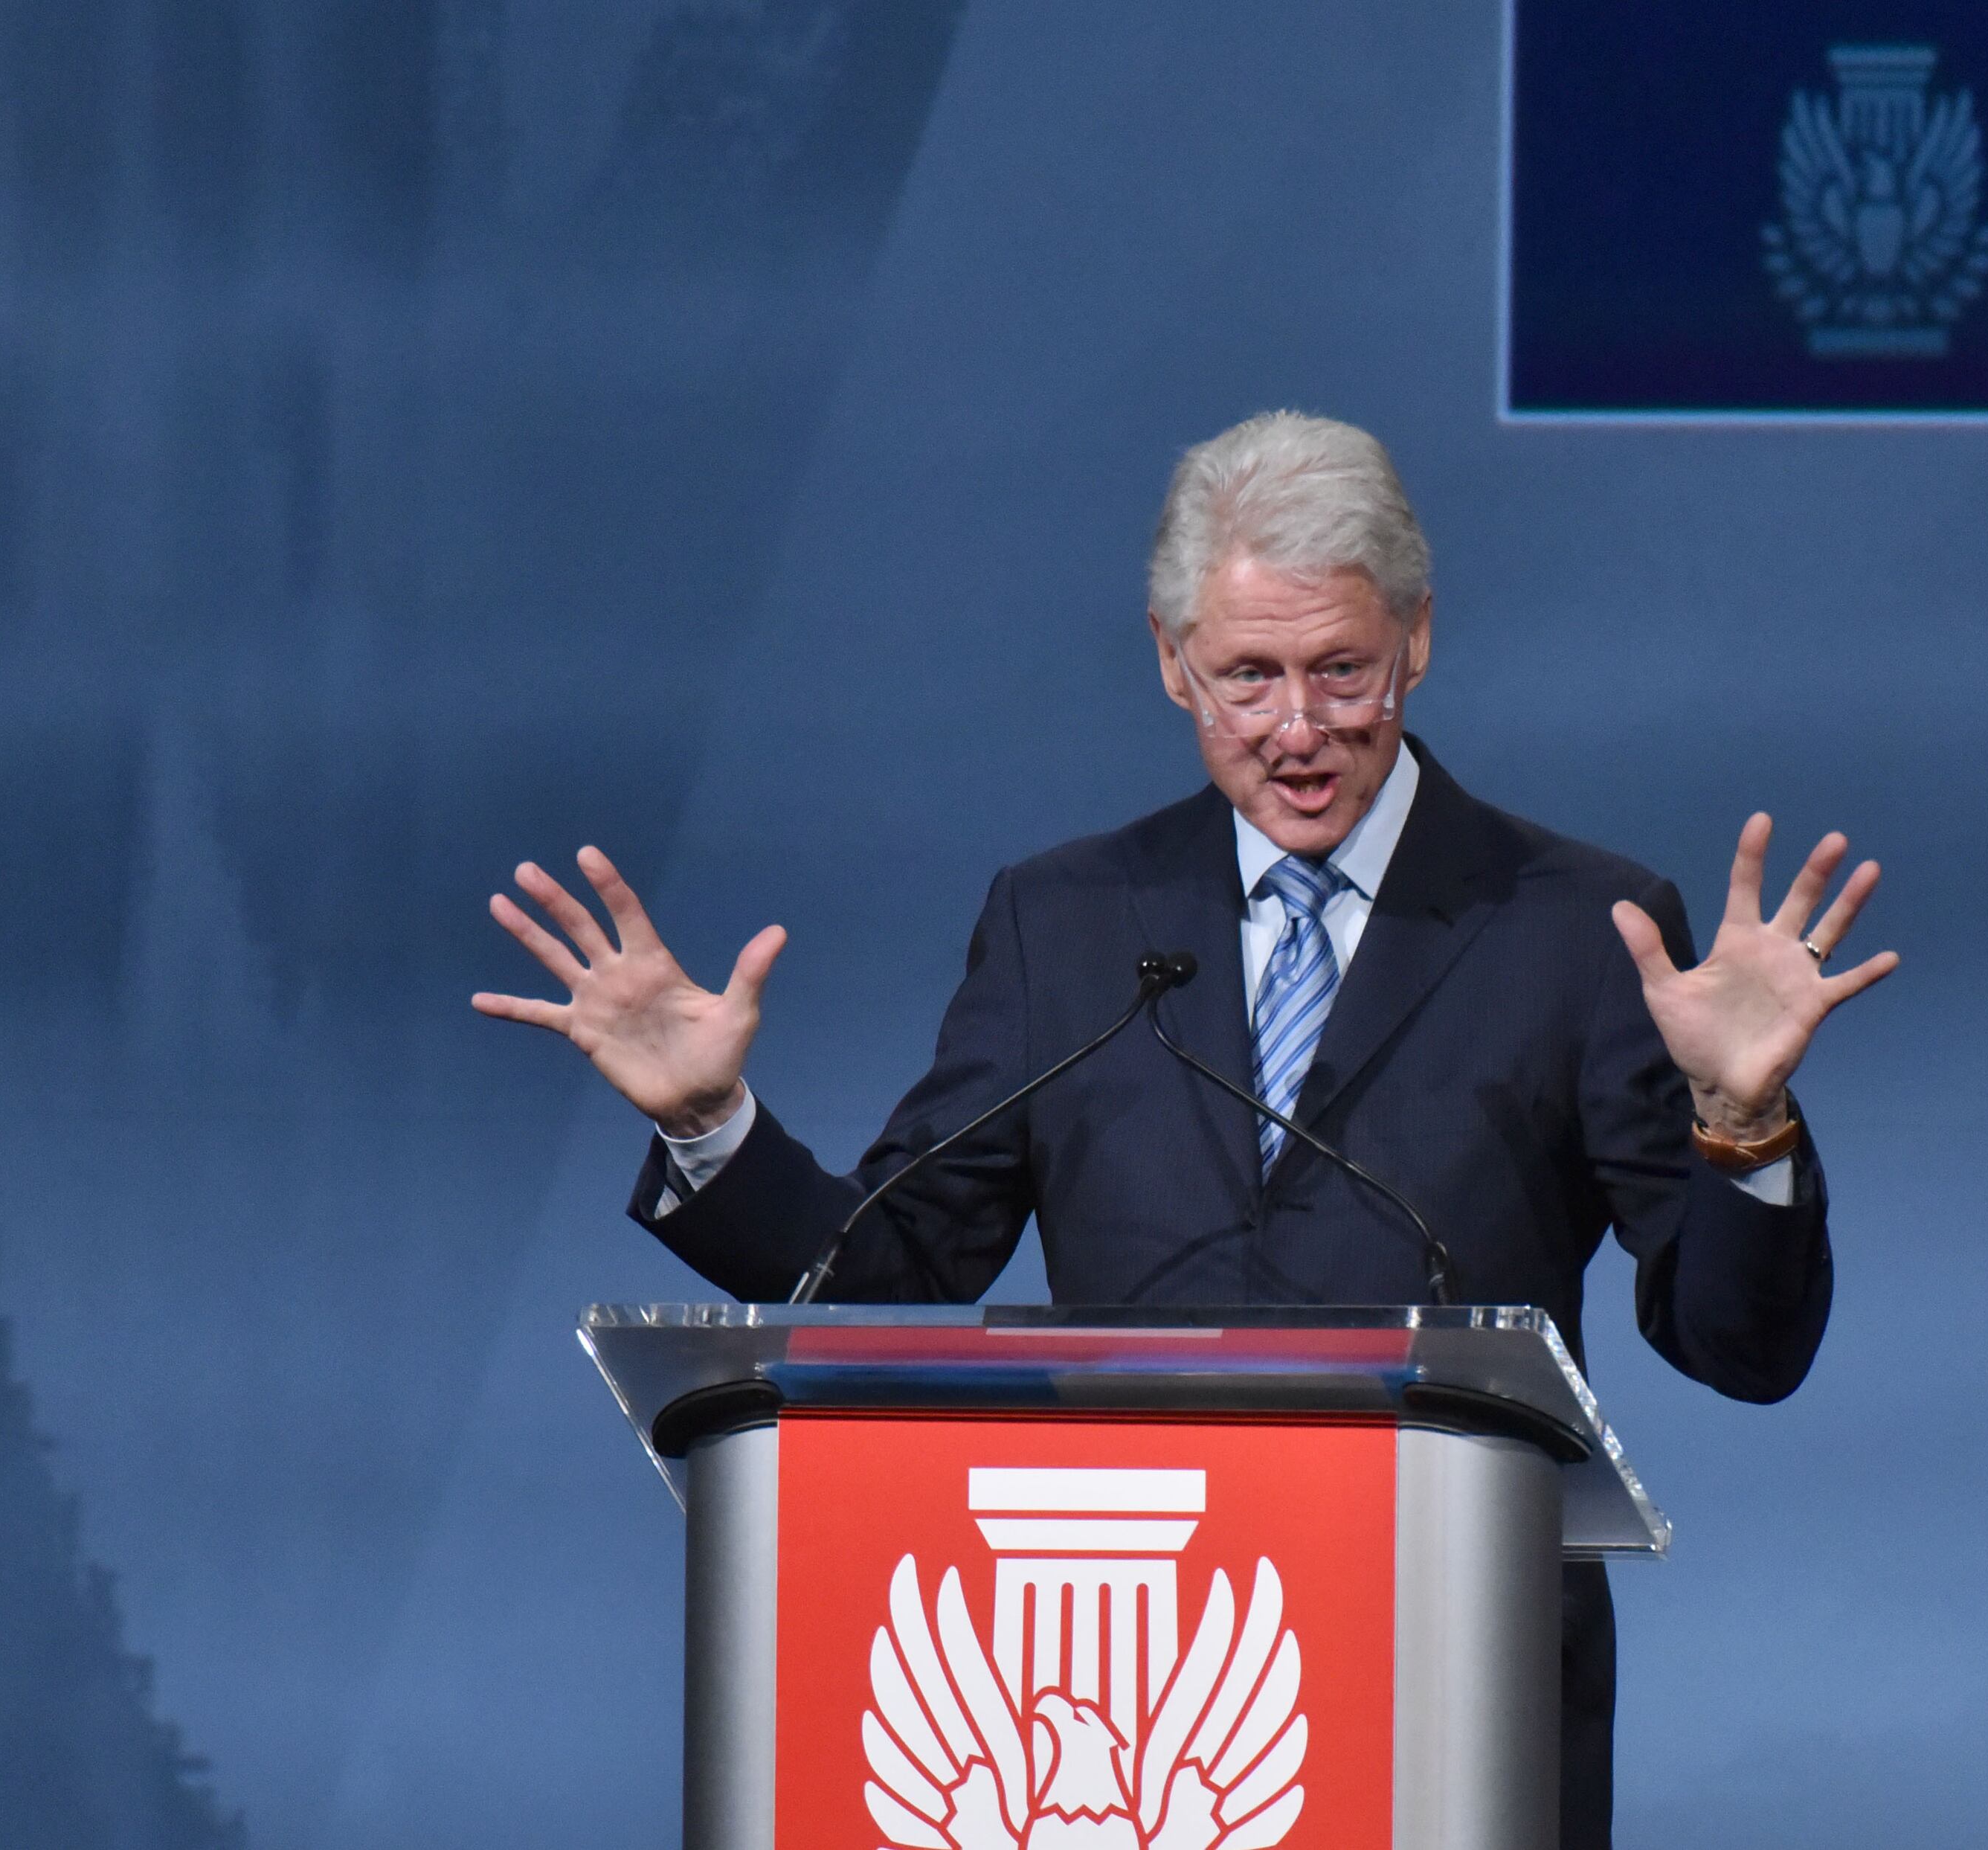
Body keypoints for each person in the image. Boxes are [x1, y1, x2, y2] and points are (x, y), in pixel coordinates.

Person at [475, 411, 1897, 1847]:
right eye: (1248, 678)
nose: (1298, 730)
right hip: (1127, 1711)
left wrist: (1743, 1117)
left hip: (1452, 1687)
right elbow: (887, 1271)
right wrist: (713, 1121)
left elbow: (1740, 1345)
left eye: (1342, 670)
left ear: (1417, 638)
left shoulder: (1578, 925)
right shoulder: (1067, 922)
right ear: (1170, 660)